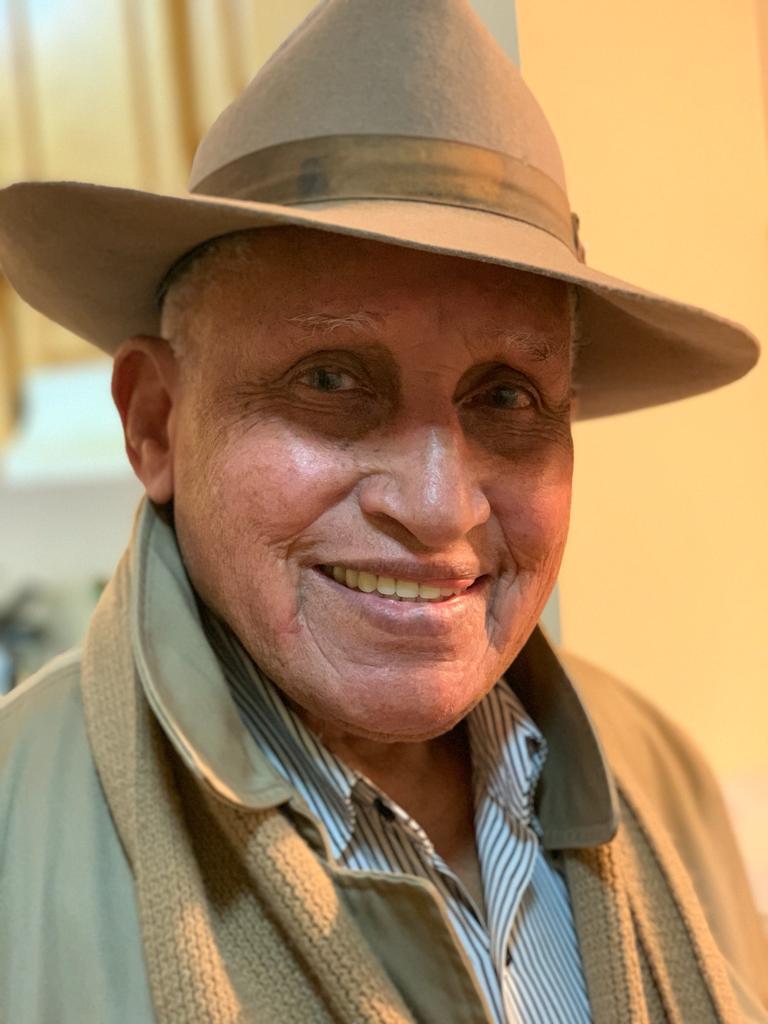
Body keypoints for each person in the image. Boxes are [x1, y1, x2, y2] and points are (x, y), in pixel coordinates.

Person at [0, 1, 765, 1022]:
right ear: (157, 423)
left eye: (507, 396)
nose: (439, 507)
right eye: (330, 380)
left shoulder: (660, 781)